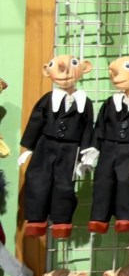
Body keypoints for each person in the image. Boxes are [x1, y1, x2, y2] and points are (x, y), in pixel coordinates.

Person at [19, 54, 93, 239]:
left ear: (85, 68)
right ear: (46, 71)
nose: (64, 71)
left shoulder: (85, 102)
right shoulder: (48, 99)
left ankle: (62, 220)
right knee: (37, 179)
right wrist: (28, 148)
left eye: (73, 64)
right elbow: (36, 121)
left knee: (64, 184)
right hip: (45, 145)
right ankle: (36, 218)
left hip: (70, 149)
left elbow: (87, 128)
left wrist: (85, 154)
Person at [87, 56, 129, 234]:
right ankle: (99, 217)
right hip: (108, 149)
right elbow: (100, 126)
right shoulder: (109, 104)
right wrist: (94, 147)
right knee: (103, 181)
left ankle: (126, 217)